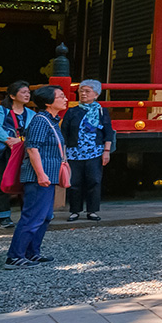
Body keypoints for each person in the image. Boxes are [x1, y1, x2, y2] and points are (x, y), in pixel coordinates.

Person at [5, 85, 68, 268]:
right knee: (33, 216)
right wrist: (40, 174)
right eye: (61, 96)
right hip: (38, 176)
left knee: (45, 216)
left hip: (48, 175)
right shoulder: (41, 120)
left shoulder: (52, 121)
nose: (65, 99)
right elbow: (33, 149)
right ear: (49, 102)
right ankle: (15, 256)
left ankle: (32, 252)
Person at [60, 80, 115, 223]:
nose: (83, 94)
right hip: (74, 152)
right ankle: (75, 210)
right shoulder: (72, 111)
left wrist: (106, 151)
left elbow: (108, 132)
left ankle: (92, 210)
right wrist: (63, 153)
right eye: (81, 91)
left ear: (96, 95)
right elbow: (64, 132)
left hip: (95, 151)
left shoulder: (102, 111)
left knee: (94, 181)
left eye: (87, 91)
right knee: (75, 182)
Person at [0, 81, 32, 229]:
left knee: (26, 183)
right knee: (1, 183)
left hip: (24, 153)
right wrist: (7, 140)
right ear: (12, 95)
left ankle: (28, 215)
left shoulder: (31, 113)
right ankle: (3, 216)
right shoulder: (1, 110)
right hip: (3, 152)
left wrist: (21, 141)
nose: (27, 94)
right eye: (23, 92)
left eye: (28, 92)